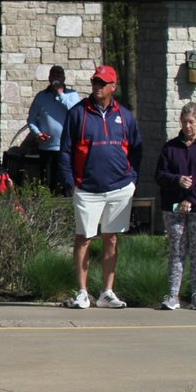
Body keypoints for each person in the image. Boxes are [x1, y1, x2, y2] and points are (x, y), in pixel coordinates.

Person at [58, 65, 143, 309]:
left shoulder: (125, 116)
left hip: (119, 188)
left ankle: (107, 292)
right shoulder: (78, 113)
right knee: (83, 237)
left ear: (112, 87)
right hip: (86, 188)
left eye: (102, 83)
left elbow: (136, 150)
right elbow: (65, 151)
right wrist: (70, 182)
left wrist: (132, 180)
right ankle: (82, 292)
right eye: (95, 81)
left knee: (111, 238)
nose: (97, 86)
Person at [154, 102, 196, 310]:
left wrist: (191, 199)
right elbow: (160, 175)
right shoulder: (170, 147)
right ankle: (172, 295)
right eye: (184, 122)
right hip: (173, 209)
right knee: (177, 252)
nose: (187, 126)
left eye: (191, 122)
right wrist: (177, 180)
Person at [25, 65, 79, 192]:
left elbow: (76, 113)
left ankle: (67, 210)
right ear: (49, 78)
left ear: (64, 78)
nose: (56, 78)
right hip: (47, 148)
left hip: (67, 148)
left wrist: (60, 94)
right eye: (54, 75)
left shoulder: (72, 95)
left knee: (66, 184)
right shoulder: (41, 96)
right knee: (47, 184)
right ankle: (48, 210)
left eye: (59, 76)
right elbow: (31, 119)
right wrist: (37, 133)